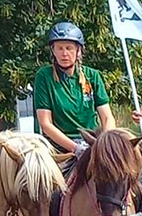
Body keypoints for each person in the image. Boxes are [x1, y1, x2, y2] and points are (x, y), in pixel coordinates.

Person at [33, 21, 115, 166]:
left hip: (93, 142)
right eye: (59, 48)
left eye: (69, 48)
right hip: (59, 147)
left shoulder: (93, 76)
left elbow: (107, 117)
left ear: (78, 50)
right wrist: (75, 148)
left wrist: (105, 144)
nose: (64, 53)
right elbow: (46, 123)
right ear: (53, 50)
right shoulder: (44, 77)